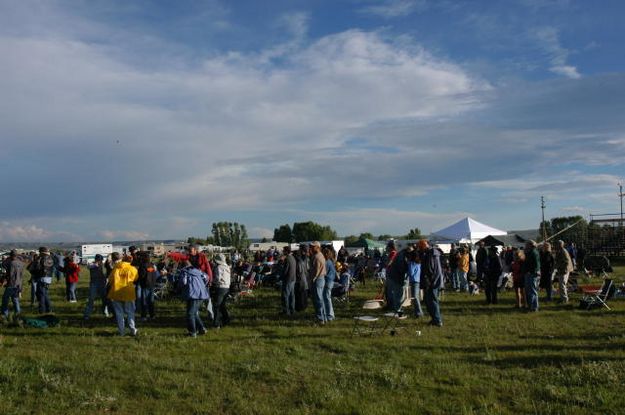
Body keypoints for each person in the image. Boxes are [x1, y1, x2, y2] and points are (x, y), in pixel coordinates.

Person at [107, 252, 139, 336]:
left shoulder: (115, 268)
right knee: (130, 312)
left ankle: (122, 331)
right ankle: (133, 329)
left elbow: (110, 280)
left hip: (116, 293)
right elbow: (136, 278)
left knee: (119, 313)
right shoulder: (133, 269)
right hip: (129, 292)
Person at [179, 261, 210, 337]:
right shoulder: (198, 271)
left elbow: (183, 282)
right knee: (194, 313)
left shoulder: (185, 272)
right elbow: (207, 277)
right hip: (201, 294)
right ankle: (202, 328)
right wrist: (201, 285)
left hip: (192, 294)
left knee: (190, 314)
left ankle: (192, 332)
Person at [418, 240, 444, 327]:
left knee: (432, 301)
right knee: (429, 300)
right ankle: (435, 319)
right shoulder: (433, 253)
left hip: (432, 281)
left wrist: (428, 282)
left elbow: (429, 269)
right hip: (434, 280)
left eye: (421, 248)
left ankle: (437, 320)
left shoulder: (430, 254)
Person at [27, 247, 54, 314]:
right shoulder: (50, 258)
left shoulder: (41, 259)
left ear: (41, 252)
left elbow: (32, 268)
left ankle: (42, 310)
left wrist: (34, 273)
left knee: (41, 295)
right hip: (48, 278)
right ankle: (48, 309)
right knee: (45, 294)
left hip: (41, 278)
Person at [83, 254, 109, 320]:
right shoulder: (92, 264)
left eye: (101, 260)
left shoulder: (102, 265)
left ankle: (105, 311)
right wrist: (95, 264)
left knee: (104, 299)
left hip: (102, 283)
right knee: (91, 299)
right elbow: (89, 266)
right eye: (99, 260)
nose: (100, 261)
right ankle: (87, 314)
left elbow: (105, 272)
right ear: (96, 260)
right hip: (94, 284)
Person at [1, 250, 24, 323]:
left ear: (11, 255)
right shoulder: (21, 263)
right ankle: (18, 314)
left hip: (11, 284)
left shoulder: (11, 263)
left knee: (5, 299)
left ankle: (5, 314)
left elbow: (9, 274)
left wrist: (5, 280)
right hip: (18, 284)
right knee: (15, 299)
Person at [309, 241, 327, 324]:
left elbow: (316, 271)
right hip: (321, 278)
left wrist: (312, 279)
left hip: (317, 279)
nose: (311, 248)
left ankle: (320, 318)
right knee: (320, 299)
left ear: (317, 247)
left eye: (313, 246)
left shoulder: (316, 257)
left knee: (318, 300)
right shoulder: (321, 255)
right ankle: (323, 317)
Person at [137, 252, 159, 321]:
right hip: (152, 285)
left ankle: (144, 316)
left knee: (144, 301)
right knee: (151, 301)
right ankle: (152, 315)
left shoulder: (142, 266)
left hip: (145, 285)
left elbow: (141, 276)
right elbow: (154, 274)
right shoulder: (151, 265)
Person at [211, 254, 231, 328]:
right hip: (227, 287)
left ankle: (216, 324)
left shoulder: (218, 267)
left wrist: (212, 282)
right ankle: (226, 319)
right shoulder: (227, 267)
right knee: (222, 305)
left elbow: (218, 278)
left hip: (220, 287)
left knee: (216, 306)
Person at [522, 240, 541, 312]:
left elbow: (536, 265)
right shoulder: (529, 252)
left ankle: (534, 307)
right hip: (528, 273)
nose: (525, 245)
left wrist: (532, 272)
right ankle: (530, 306)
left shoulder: (534, 252)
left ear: (530, 245)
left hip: (532, 274)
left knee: (532, 290)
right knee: (528, 290)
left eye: (526, 244)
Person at [281, 246, 297, 316]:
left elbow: (285, 270)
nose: (283, 252)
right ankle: (292, 310)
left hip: (288, 279)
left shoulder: (287, 259)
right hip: (293, 278)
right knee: (291, 295)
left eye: (283, 250)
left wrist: (281, 277)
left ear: (286, 251)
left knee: (285, 295)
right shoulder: (293, 257)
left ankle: (286, 311)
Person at [407, 248, 423, 318]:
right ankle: (417, 312)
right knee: (416, 297)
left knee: (415, 297)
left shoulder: (411, 263)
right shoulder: (419, 262)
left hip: (413, 281)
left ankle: (419, 313)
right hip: (418, 280)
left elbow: (411, 273)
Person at [323, 247, 337, 322]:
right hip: (330, 281)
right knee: (327, 298)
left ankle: (330, 315)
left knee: (327, 299)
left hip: (327, 281)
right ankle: (330, 314)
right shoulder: (331, 261)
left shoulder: (326, 262)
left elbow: (323, 272)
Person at [294, 244, 309, 312]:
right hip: (305, 277)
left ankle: (301, 307)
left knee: (300, 294)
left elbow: (299, 270)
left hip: (301, 278)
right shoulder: (306, 258)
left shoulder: (300, 259)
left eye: (299, 249)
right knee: (304, 293)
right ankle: (304, 306)